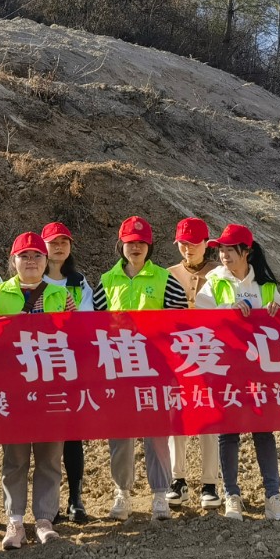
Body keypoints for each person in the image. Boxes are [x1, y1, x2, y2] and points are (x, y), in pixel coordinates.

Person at [196, 223, 280, 523]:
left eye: (230, 249)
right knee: (228, 433)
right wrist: (228, 310)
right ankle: (232, 494)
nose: (224, 255)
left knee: (263, 430)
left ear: (247, 252)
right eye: (221, 250)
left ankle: (273, 496)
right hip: (225, 370)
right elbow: (199, 320)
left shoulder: (265, 286)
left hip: (259, 371)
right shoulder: (213, 282)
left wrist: (277, 312)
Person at [0, 232, 74, 550]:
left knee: (50, 457)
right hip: (13, 390)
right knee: (15, 458)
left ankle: (44, 520)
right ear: (13, 261)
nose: (31, 261)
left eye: (37, 255)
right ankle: (15, 520)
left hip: (51, 387)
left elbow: (76, 338)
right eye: (24, 256)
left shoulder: (61, 296)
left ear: (46, 260)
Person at [93, 216, 182, 520]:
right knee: (121, 434)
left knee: (156, 433)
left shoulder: (165, 279)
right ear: (121, 245)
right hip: (119, 368)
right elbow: (95, 324)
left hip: (155, 369)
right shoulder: (107, 281)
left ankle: (160, 494)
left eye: (142, 243)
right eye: (131, 242)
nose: (136, 247)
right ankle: (123, 492)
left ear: (150, 246)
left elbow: (179, 321)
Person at [167, 217, 222, 510]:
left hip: (211, 353)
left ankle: (210, 482)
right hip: (176, 355)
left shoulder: (220, 273)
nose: (188, 248)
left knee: (209, 418)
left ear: (206, 244)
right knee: (176, 417)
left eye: (194, 243)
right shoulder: (167, 275)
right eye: (183, 243)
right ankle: (178, 479)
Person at [41, 222, 93, 524]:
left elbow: (85, 320)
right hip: (39, 366)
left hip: (71, 365)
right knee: (46, 439)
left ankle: (76, 498)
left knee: (73, 435)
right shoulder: (32, 279)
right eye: (53, 242)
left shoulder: (78, 282)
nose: (58, 247)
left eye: (64, 242)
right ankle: (49, 505)